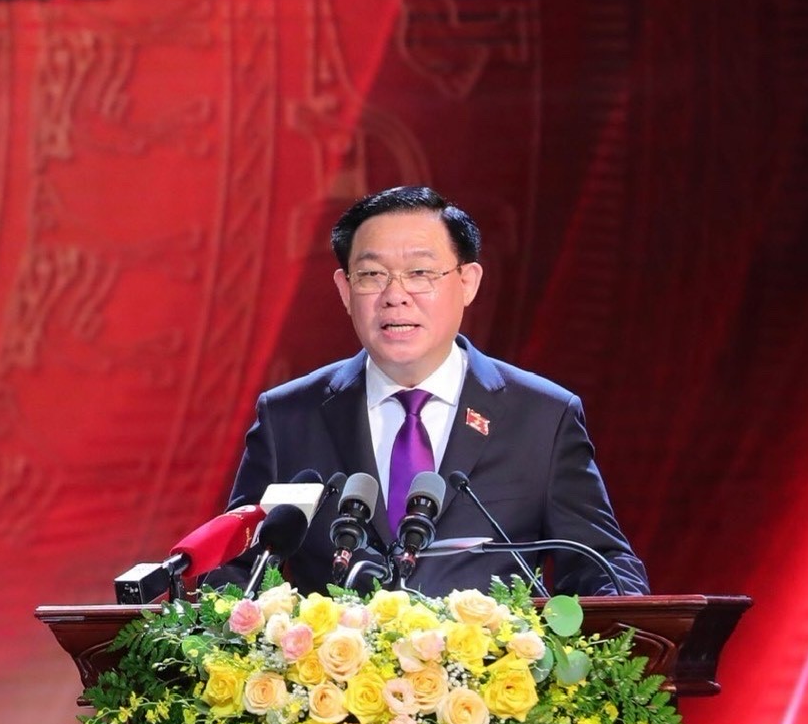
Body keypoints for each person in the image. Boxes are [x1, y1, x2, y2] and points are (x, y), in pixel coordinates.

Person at [214, 186, 649, 597]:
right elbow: (235, 572)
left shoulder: (541, 417)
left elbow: (602, 564)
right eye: (371, 275)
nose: (395, 295)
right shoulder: (290, 417)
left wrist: (613, 632)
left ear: (468, 282)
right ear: (345, 290)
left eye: (420, 273)